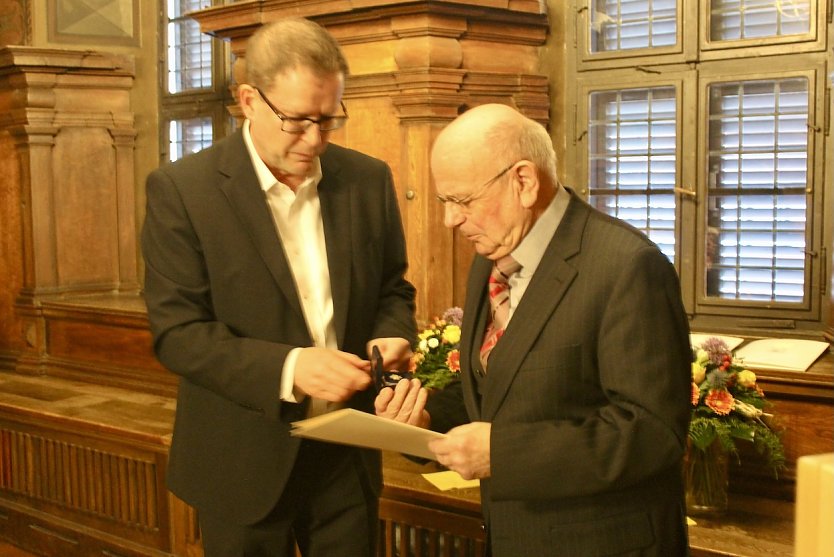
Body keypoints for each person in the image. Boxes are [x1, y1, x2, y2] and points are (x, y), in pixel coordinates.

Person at [142, 17, 416, 557]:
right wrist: (291, 368)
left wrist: (391, 335)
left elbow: (392, 288)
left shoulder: (367, 179)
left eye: (329, 119)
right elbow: (178, 334)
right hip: (239, 460)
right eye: (297, 121)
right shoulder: (183, 191)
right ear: (249, 100)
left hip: (347, 452)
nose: (315, 140)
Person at [376, 103, 692, 556]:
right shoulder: (491, 255)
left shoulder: (626, 266)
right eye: (445, 202)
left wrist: (503, 454)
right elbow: (499, 395)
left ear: (523, 181)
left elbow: (652, 432)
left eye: (461, 201)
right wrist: (424, 422)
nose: (449, 220)